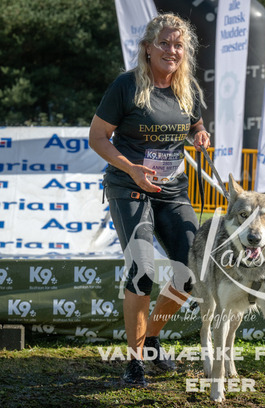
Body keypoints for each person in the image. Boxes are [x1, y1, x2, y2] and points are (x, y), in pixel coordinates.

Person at [88, 13, 210, 386]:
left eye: (178, 45)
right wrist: (131, 169)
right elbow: (97, 137)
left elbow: (194, 123)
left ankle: (152, 337)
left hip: (171, 190)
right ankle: (135, 360)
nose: (171, 51)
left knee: (191, 269)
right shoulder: (126, 86)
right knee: (143, 270)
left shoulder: (187, 88)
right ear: (147, 48)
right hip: (130, 185)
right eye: (164, 43)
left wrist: (200, 135)